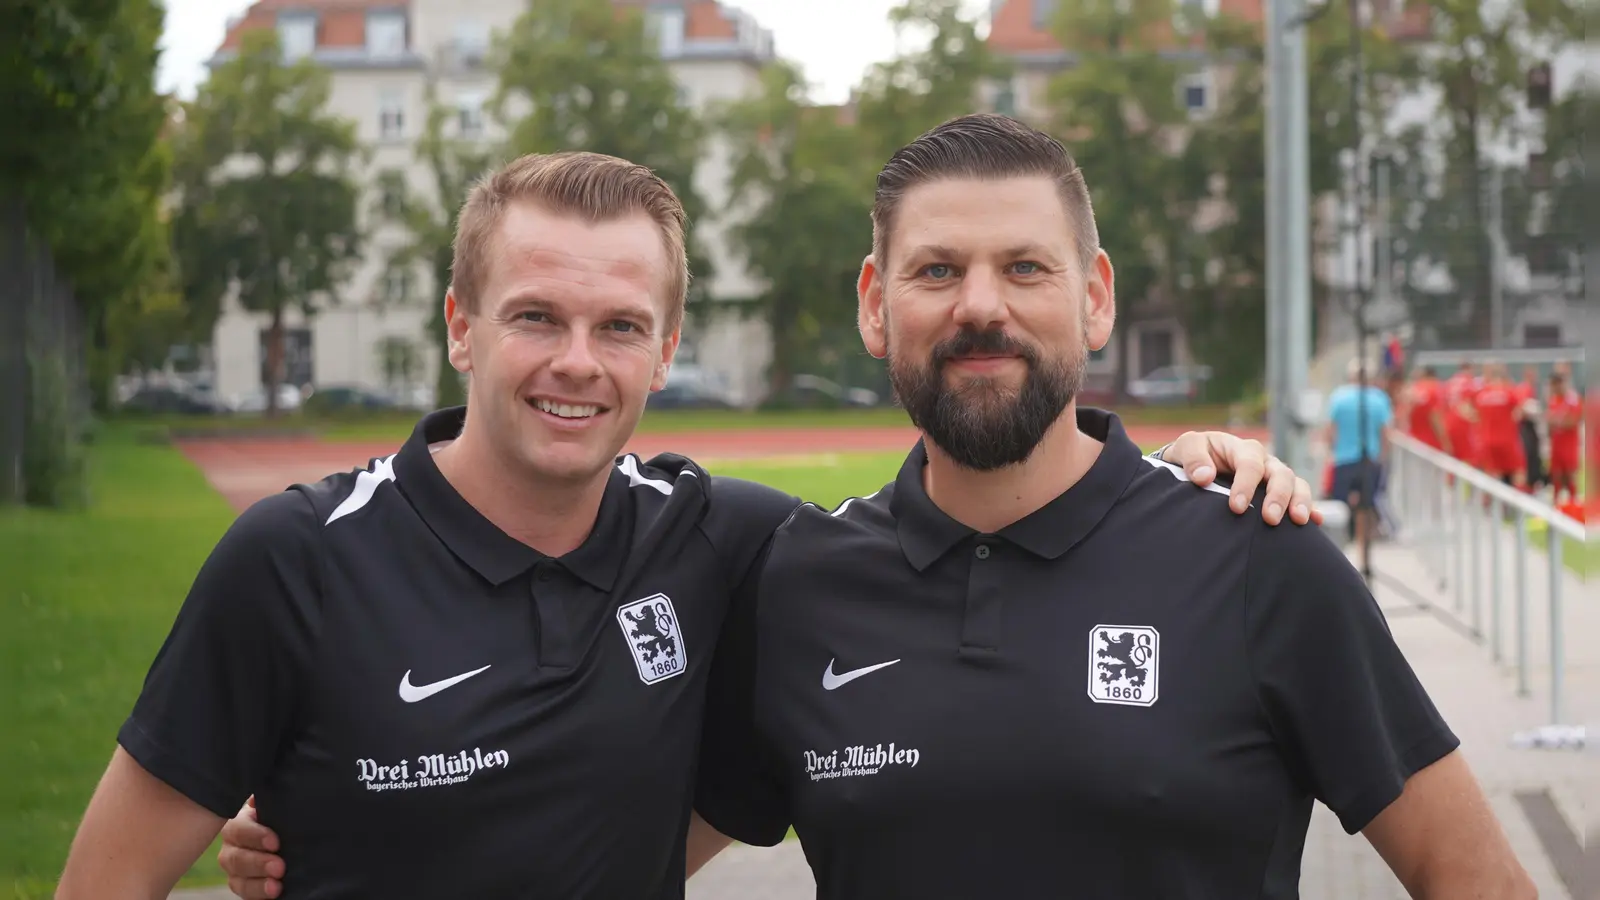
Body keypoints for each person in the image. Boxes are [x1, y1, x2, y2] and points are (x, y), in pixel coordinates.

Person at [55, 150, 1312, 899]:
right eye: (535, 316)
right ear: (459, 327)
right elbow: (105, 881)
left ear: (664, 351)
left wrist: (1187, 471)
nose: (575, 363)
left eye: (618, 328)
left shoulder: (732, 544)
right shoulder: (295, 562)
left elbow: (970, 497)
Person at [688, 114, 1533, 898]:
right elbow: (610, 850)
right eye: (938, 270)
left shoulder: (1257, 555)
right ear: (876, 304)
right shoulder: (799, 585)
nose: (981, 305)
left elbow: (1476, 880)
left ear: (1094, 298)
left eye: (1025, 267)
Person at [1326, 358, 1395, 546]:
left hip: (1343, 458)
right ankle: (1363, 545)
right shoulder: (1379, 398)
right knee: (1366, 506)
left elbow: (1330, 430)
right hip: (1369, 458)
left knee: (1340, 505)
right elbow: (1385, 432)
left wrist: (1331, 451)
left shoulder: (1339, 397)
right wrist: (1383, 456)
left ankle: (1340, 544)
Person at [1471, 362, 1528, 490]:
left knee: (1492, 475)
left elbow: (1474, 415)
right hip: (1507, 441)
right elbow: (1521, 411)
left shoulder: (1481, 394)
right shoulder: (1508, 392)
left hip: (1487, 442)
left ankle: (1490, 507)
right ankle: (1517, 505)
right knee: (1518, 471)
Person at [1546, 367, 1582, 506]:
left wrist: (1556, 421)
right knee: (1556, 477)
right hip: (1556, 446)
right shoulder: (1553, 400)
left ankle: (1574, 508)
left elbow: (1572, 421)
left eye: (1556, 383)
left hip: (1569, 446)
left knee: (1570, 477)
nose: (1554, 387)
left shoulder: (1572, 399)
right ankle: (1556, 508)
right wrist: (1555, 421)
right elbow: (1550, 422)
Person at [1403, 365, 1451, 454]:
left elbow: (1404, 414)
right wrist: (1446, 443)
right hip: (1430, 444)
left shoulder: (1413, 389)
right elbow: (1435, 418)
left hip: (1413, 441)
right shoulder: (1434, 390)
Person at [1442, 362, 1480, 467]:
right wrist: (1479, 420)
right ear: (1471, 368)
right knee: (1469, 459)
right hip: (1463, 425)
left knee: (1452, 459)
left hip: (1448, 423)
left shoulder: (1449, 382)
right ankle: (1466, 484)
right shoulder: (1469, 382)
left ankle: (1449, 483)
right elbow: (1466, 407)